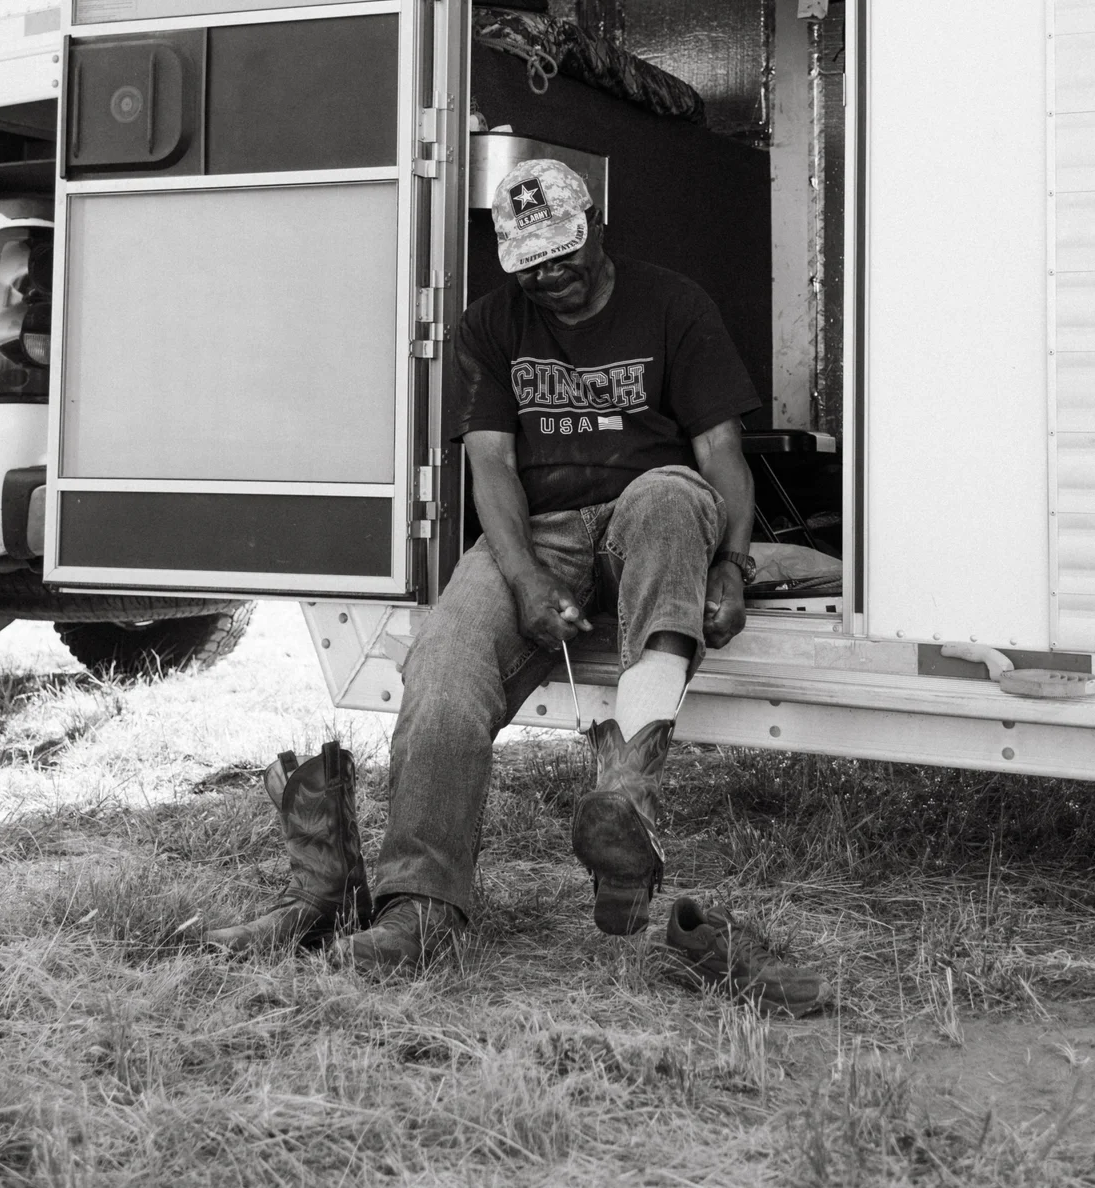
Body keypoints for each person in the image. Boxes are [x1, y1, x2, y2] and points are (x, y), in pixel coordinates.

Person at [338, 159, 824, 1011]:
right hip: (542, 531)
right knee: (444, 662)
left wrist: (732, 564)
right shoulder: (490, 324)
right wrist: (524, 576)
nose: (550, 274)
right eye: (530, 262)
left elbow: (720, 452)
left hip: (651, 513)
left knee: (672, 494)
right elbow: (491, 463)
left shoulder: (673, 304)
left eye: (563, 251)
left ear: (596, 224)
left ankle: (623, 800)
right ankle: (420, 906)